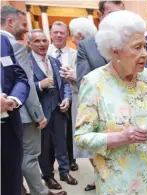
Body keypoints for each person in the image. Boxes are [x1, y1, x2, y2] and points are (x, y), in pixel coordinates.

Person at [74, 10, 147, 195]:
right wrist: (121, 137)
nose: (145, 54)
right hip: (120, 183)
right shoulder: (94, 82)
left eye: (145, 46)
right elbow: (81, 137)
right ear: (115, 50)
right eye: (137, 47)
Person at [1, 6, 66, 195]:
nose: (26, 28)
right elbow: (26, 83)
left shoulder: (53, 60)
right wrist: (39, 115)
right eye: (24, 24)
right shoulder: (14, 46)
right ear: (11, 22)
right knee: (29, 157)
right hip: (23, 115)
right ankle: (41, 192)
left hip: (11, 112)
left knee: (14, 158)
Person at [28, 29, 77, 189]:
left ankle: (64, 171)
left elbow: (65, 84)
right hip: (40, 112)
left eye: (44, 40)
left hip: (58, 109)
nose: (42, 44)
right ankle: (48, 176)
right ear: (29, 44)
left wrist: (67, 99)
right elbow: (23, 87)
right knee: (44, 147)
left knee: (61, 142)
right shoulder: (26, 62)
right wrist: (39, 85)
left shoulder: (54, 60)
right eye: (37, 41)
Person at [68, 16, 97, 192]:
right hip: (81, 101)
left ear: (79, 35)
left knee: (92, 144)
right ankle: (98, 176)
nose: (71, 39)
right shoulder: (84, 48)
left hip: (90, 103)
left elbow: (87, 79)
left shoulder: (88, 48)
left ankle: (101, 177)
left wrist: (74, 76)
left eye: (73, 35)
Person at [47, 21, 79, 173]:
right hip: (51, 97)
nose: (59, 35)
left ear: (67, 34)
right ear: (51, 34)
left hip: (71, 94)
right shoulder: (44, 51)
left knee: (71, 130)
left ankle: (71, 160)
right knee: (52, 132)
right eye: (56, 32)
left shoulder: (75, 53)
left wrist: (72, 76)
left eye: (62, 32)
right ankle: (51, 161)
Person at [1, 34, 30, 195]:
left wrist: (12, 99)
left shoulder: (3, 41)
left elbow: (20, 76)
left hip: (9, 126)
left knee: (12, 183)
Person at [76, 0, 124, 88]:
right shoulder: (86, 47)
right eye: (112, 14)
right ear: (100, 15)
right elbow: (84, 85)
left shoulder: (131, 42)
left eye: (121, 15)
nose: (118, 19)